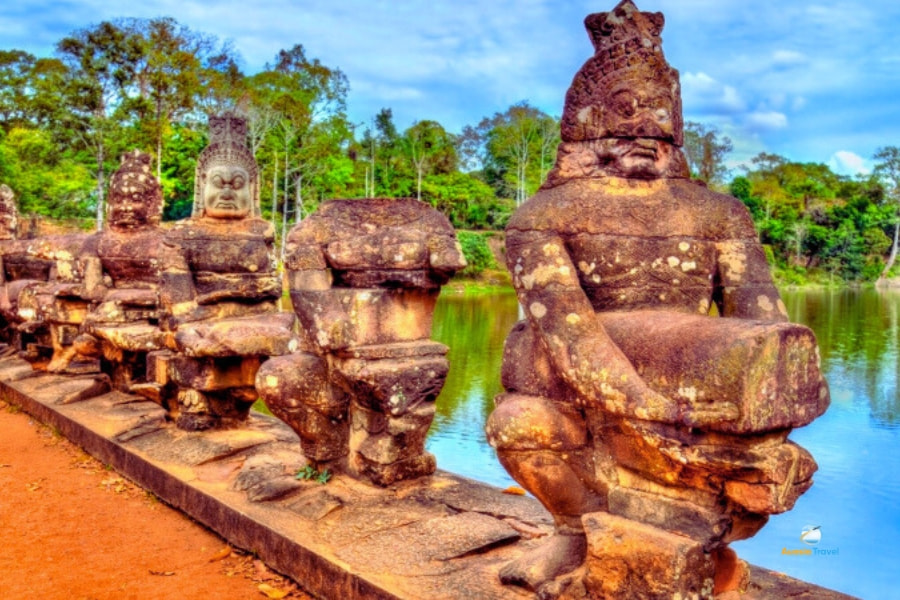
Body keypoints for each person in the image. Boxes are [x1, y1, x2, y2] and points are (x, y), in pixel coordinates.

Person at [485, 1, 829, 593]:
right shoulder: (543, 216)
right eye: (625, 108)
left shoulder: (719, 214)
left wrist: (757, 400)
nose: (645, 125)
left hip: (690, 387)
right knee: (518, 420)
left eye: (659, 111)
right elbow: (571, 333)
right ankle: (575, 529)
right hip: (597, 394)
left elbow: (763, 324)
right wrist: (649, 408)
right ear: (588, 119)